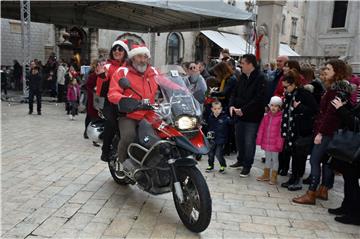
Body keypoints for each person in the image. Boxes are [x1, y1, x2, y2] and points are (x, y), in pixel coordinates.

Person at [293, 59, 353, 205]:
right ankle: (323, 189)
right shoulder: (337, 88)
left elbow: (330, 115)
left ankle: (311, 193)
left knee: (314, 160)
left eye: (328, 68)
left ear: (336, 72)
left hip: (326, 132)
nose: (324, 70)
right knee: (326, 162)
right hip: (329, 131)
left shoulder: (336, 90)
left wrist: (320, 133)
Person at [108, 44, 159, 164]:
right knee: (129, 136)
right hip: (129, 113)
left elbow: (167, 84)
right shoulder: (122, 72)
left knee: (164, 132)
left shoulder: (153, 72)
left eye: (145, 57)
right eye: (139, 56)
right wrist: (126, 100)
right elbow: (113, 92)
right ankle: (123, 163)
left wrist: (182, 91)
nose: (142, 60)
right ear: (132, 58)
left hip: (149, 112)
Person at [280, 69, 318, 191]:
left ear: (293, 84)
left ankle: (298, 180)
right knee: (293, 155)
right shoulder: (289, 94)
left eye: (286, 87)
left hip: (302, 131)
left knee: (300, 157)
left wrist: (300, 107)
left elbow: (315, 110)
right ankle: (293, 178)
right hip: (291, 130)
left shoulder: (304, 94)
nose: (284, 90)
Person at [229, 54, 266, 177]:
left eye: (243, 63)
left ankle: (247, 166)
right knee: (239, 139)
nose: (241, 65)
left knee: (249, 141)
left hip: (252, 116)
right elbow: (234, 93)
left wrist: (243, 110)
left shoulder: (261, 78)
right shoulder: (242, 77)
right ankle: (240, 160)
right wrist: (231, 106)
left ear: (250, 64)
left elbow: (258, 99)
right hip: (239, 114)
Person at [96, 39, 129, 162]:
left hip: (127, 102)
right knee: (112, 122)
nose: (117, 51)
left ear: (125, 51)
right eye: (115, 49)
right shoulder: (107, 66)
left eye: (120, 49)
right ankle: (105, 150)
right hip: (111, 102)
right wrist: (101, 77)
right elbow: (100, 90)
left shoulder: (130, 67)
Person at [330, 97, 360, 225]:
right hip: (354, 150)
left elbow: (356, 125)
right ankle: (347, 206)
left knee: (352, 181)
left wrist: (341, 109)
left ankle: (355, 215)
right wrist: (344, 107)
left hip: (357, 150)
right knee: (349, 179)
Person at [256, 96, 284, 185]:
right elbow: (261, 128)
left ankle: (274, 176)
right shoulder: (266, 117)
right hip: (267, 142)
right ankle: (266, 174)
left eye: (276, 106)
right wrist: (259, 139)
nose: (273, 107)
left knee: (275, 160)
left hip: (275, 144)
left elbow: (281, 133)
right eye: (272, 105)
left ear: (279, 107)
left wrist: (279, 143)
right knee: (267, 158)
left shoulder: (281, 118)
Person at [205, 101, 231, 174]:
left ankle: (222, 165)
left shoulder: (225, 117)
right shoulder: (210, 117)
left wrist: (235, 116)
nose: (217, 110)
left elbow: (231, 122)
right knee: (210, 153)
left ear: (221, 108)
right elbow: (207, 126)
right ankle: (210, 165)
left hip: (221, 139)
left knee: (218, 153)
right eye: (215, 109)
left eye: (219, 108)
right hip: (211, 139)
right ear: (212, 109)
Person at [84, 60, 101, 145]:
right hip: (92, 99)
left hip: (99, 100)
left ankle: (95, 137)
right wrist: (93, 91)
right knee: (90, 116)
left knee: (96, 117)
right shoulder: (92, 75)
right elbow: (87, 86)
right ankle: (87, 132)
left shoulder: (102, 76)